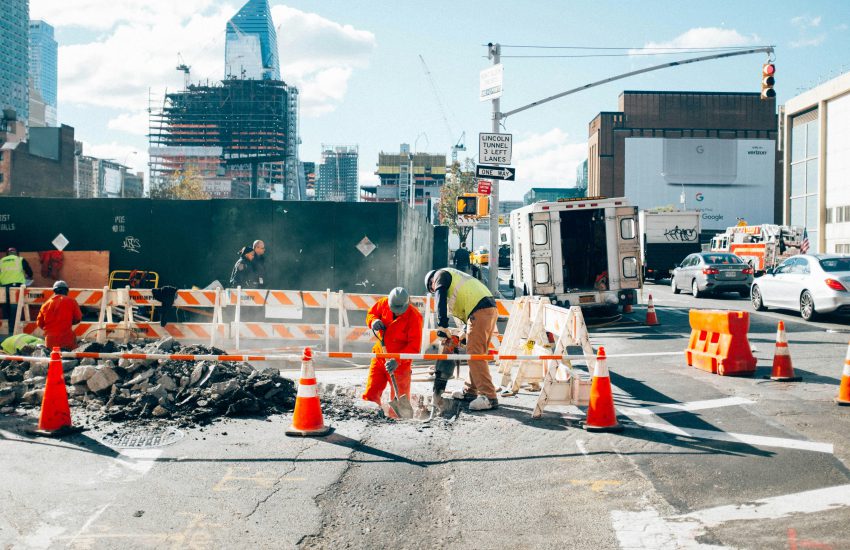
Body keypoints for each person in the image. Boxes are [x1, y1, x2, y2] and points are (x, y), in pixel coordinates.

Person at [425, 267, 499, 411]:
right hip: (487, 308)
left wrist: (442, 326)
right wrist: (464, 333)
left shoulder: (440, 275)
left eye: (432, 289)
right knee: (476, 352)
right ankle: (470, 391)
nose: (434, 291)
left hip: (480, 309)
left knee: (475, 354)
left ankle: (489, 397)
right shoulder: (456, 280)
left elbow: (440, 294)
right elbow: (465, 305)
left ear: (431, 283)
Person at [363, 287, 423, 412]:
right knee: (371, 392)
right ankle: (370, 415)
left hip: (400, 364)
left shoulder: (414, 317)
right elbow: (371, 313)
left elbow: (414, 347)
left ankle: (398, 422)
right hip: (380, 357)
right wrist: (373, 321)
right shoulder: (383, 303)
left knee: (400, 399)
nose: (397, 312)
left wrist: (397, 360)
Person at [36, 280, 82, 351]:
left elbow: (39, 323)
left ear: (54, 291)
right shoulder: (71, 301)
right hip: (67, 340)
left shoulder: (45, 304)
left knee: (52, 358)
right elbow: (78, 318)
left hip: (50, 342)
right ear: (66, 291)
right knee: (73, 358)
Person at [1, 247, 33, 326]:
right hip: (16, 287)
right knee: (14, 306)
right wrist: (28, 277)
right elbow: (30, 272)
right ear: (17, 253)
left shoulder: (1, 261)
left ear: (7, 254)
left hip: (3, 287)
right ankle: (13, 327)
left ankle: (6, 327)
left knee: (5, 306)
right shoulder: (20, 259)